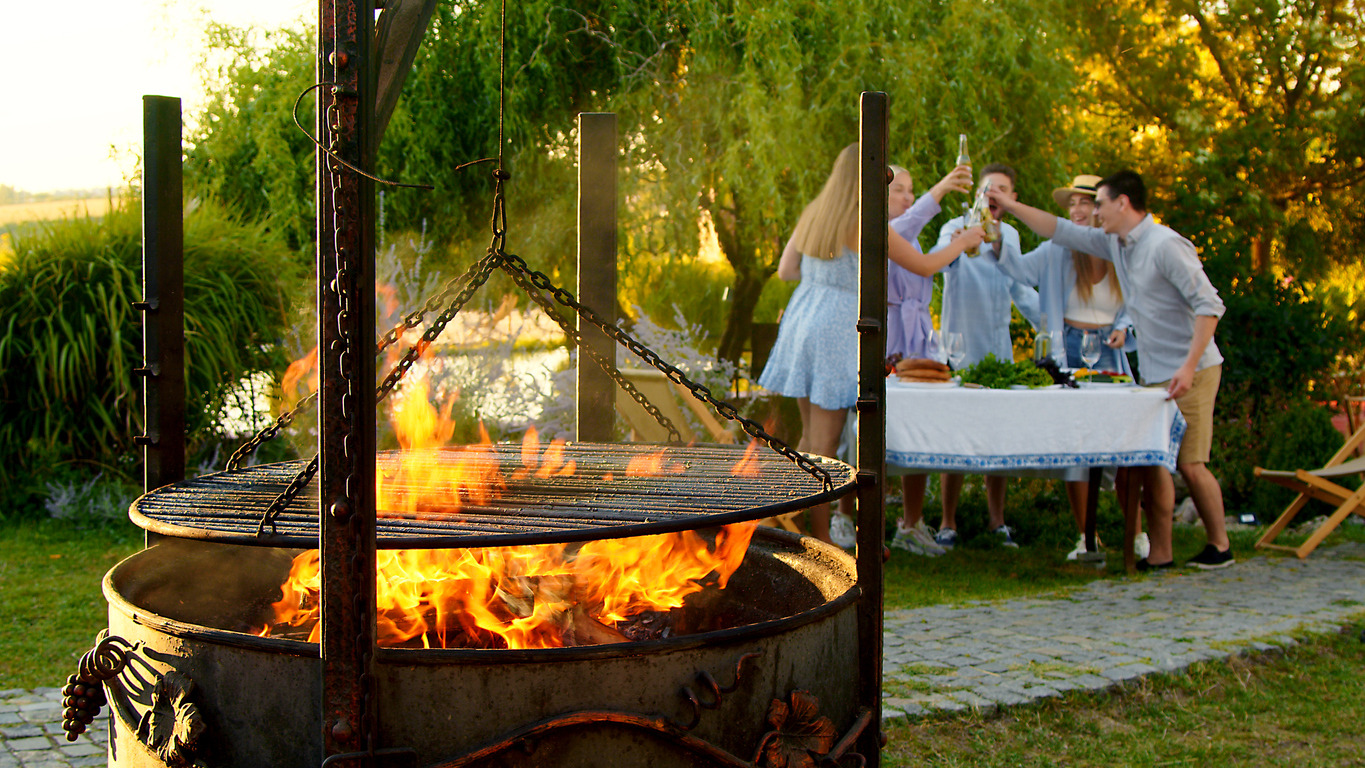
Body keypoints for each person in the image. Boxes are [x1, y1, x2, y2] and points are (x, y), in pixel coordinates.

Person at [989, 169, 1232, 570]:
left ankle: (1220, 546)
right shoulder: (1116, 244)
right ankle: (1161, 554)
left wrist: (1189, 368)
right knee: (1153, 464)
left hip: (1194, 369)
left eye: (1099, 203)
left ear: (1122, 203)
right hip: (1156, 372)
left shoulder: (1166, 245)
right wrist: (1010, 205)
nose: (1094, 211)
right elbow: (1060, 230)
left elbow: (1210, 305)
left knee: (1189, 463)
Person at [759, 143, 986, 544]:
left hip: (803, 315)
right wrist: (963, 241)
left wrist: (825, 276)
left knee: (810, 436)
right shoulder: (864, 223)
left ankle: (782, 524)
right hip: (836, 326)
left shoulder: (815, 213)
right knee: (826, 445)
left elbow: (786, 271)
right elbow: (923, 265)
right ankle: (821, 542)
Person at [993, 174, 1147, 561]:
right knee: (1076, 449)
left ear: (1103, 209)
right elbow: (1021, 272)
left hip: (1110, 352)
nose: (1078, 211)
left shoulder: (1120, 249)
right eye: (1071, 205)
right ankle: (1087, 538)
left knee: (1126, 445)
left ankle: (1137, 533)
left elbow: (1140, 296)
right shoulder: (1056, 249)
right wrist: (995, 238)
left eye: (1086, 203)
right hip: (1070, 352)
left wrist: (1126, 327)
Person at [927, 163, 1042, 550]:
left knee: (998, 438)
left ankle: (997, 521)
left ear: (1011, 200)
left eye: (1003, 190)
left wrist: (1055, 324)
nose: (994, 196)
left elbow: (1022, 288)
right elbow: (938, 263)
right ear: (977, 193)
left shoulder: (1008, 235)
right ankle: (947, 523)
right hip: (959, 349)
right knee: (955, 439)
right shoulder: (955, 227)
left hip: (998, 353)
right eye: (989, 188)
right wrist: (962, 243)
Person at [882, 163, 976, 556]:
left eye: (912, 190)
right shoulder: (878, 230)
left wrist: (952, 243)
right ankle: (847, 519)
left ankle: (911, 522)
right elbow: (915, 229)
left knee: (916, 426)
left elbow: (923, 253)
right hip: (890, 339)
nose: (907, 197)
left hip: (918, 337)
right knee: (873, 430)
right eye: (899, 190)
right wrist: (943, 189)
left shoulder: (911, 235)